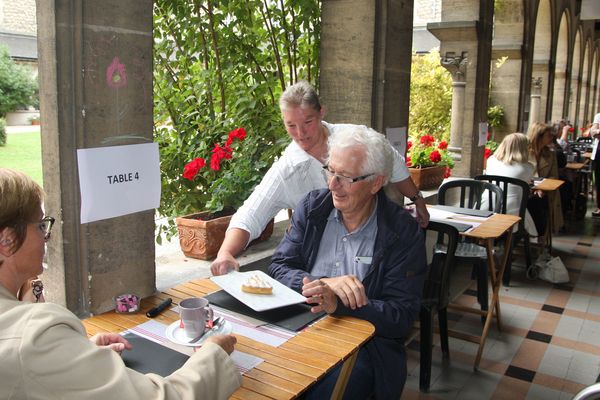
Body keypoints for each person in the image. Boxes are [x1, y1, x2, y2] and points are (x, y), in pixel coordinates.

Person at [0, 168, 241, 399]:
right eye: (41, 225)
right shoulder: (34, 336)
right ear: (8, 240)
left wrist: (75, 354)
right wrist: (214, 354)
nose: (47, 236)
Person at [268, 126, 427, 399]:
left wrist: (338, 303)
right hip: (297, 329)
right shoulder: (313, 208)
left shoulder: (401, 232)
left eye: (345, 177)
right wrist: (323, 285)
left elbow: (400, 315)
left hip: (363, 348)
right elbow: (279, 267)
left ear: (376, 182)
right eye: (330, 170)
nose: (332, 184)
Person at [211, 81, 428, 275]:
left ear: (321, 112)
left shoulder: (354, 138)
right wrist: (225, 252)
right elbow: (251, 213)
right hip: (320, 270)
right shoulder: (288, 169)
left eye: (307, 121)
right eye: (291, 125)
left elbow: (394, 163)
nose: (301, 133)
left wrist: (418, 200)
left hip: (369, 250)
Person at [484, 132, 538, 236]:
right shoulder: (528, 168)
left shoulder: (491, 161)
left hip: (487, 206)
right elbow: (528, 185)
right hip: (511, 211)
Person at [527, 122, 564, 236]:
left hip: (544, 192)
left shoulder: (550, 154)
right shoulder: (525, 152)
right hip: (527, 189)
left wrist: (542, 188)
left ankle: (537, 235)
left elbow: (554, 176)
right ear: (538, 136)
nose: (552, 138)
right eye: (549, 136)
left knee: (540, 203)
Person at [589, 112, 600, 217]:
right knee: (598, 181)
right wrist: (596, 131)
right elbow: (592, 132)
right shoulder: (598, 116)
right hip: (598, 154)